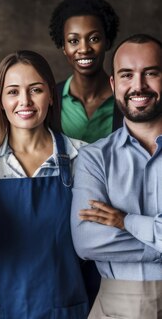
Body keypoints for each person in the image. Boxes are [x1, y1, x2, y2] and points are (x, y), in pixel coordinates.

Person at [0, 50, 89, 318]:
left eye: (36, 90)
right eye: (13, 92)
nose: (25, 101)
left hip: (63, 308)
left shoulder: (84, 159)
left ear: (52, 96)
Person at [71, 34, 162, 318]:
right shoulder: (93, 158)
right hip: (117, 303)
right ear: (113, 84)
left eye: (151, 73)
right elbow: (87, 241)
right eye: (127, 75)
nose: (138, 86)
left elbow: (109, 235)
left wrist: (125, 221)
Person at [49, 0, 122, 143]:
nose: (84, 49)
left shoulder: (126, 98)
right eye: (73, 41)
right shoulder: (49, 99)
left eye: (94, 39)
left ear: (107, 42)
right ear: (63, 46)